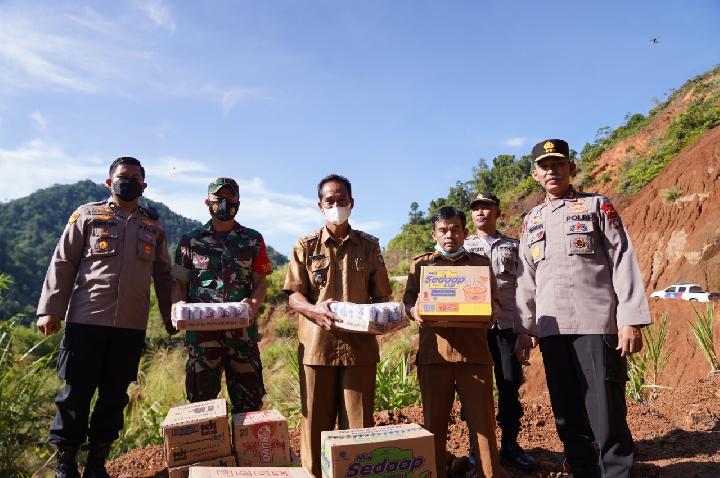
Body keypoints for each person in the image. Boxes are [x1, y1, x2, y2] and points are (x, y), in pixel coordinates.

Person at [515, 139, 651, 478]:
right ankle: (582, 472)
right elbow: (525, 279)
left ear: (570, 168)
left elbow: (623, 260)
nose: (552, 171)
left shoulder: (597, 206)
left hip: (597, 322)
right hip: (552, 329)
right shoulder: (531, 220)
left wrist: (630, 319)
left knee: (605, 411)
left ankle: (617, 473)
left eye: (558, 164)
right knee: (567, 412)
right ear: (535, 174)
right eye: (545, 166)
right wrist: (523, 328)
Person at [37, 157, 174, 478]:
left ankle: (97, 464)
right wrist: (50, 309)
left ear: (144, 185)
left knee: (114, 398)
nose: (130, 182)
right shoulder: (87, 215)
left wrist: (171, 315)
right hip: (85, 321)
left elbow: (164, 275)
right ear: (109, 183)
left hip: (130, 326)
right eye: (123, 177)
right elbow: (63, 262)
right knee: (75, 395)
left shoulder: (153, 225)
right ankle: (65, 464)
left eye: (136, 178)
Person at [283, 174, 391, 478]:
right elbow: (293, 295)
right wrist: (314, 311)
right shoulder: (305, 246)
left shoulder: (370, 247)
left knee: (358, 427)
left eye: (342, 200)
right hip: (317, 348)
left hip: (360, 350)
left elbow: (382, 295)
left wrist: (384, 316)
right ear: (320, 205)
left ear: (352, 203)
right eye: (330, 200)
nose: (336, 205)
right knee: (314, 426)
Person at [403, 206, 505, 478]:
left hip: (474, 356)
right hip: (435, 356)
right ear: (434, 233)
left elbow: (496, 303)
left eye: (455, 229)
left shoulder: (480, 265)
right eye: (443, 230)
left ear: (465, 232)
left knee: (483, 423)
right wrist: (415, 312)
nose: (450, 235)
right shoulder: (421, 265)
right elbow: (408, 302)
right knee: (434, 424)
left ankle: (488, 474)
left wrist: (491, 311)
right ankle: (435, 473)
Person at [172, 177, 273, 414]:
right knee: (201, 407)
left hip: (242, 336)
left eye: (231, 198)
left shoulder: (252, 239)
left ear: (239, 202)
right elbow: (178, 284)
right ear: (208, 201)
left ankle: (246, 451)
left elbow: (260, 282)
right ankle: (211, 450)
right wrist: (176, 307)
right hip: (202, 336)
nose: (225, 203)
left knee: (249, 407)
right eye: (220, 199)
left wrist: (254, 304)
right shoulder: (191, 241)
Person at [464, 192, 538, 472]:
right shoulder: (463, 246)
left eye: (487, 208)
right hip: (474, 331)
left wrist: (525, 330)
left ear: (497, 212)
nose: (481, 213)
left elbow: (526, 289)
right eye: (476, 209)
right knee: (474, 389)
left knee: (509, 385)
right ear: (471, 215)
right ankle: (476, 447)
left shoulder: (514, 246)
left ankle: (510, 445)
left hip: (507, 327)